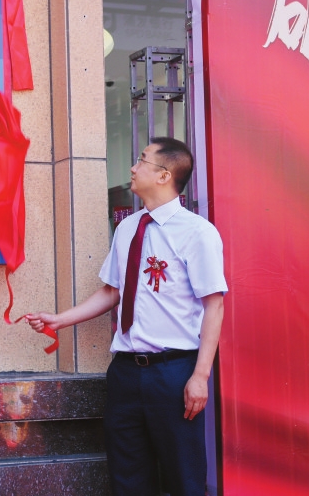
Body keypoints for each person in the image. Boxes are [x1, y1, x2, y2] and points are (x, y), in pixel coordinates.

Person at [27, 137, 226, 496]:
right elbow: (112, 292)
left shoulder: (197, 232)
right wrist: (60, 320)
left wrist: (200, 376)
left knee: (184, 476)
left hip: (173, 372)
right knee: (127, 475)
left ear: (164, 175)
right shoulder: (128, 228)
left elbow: (215, 305)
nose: (133, 168)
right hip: (125, 372)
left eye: (142, 160)